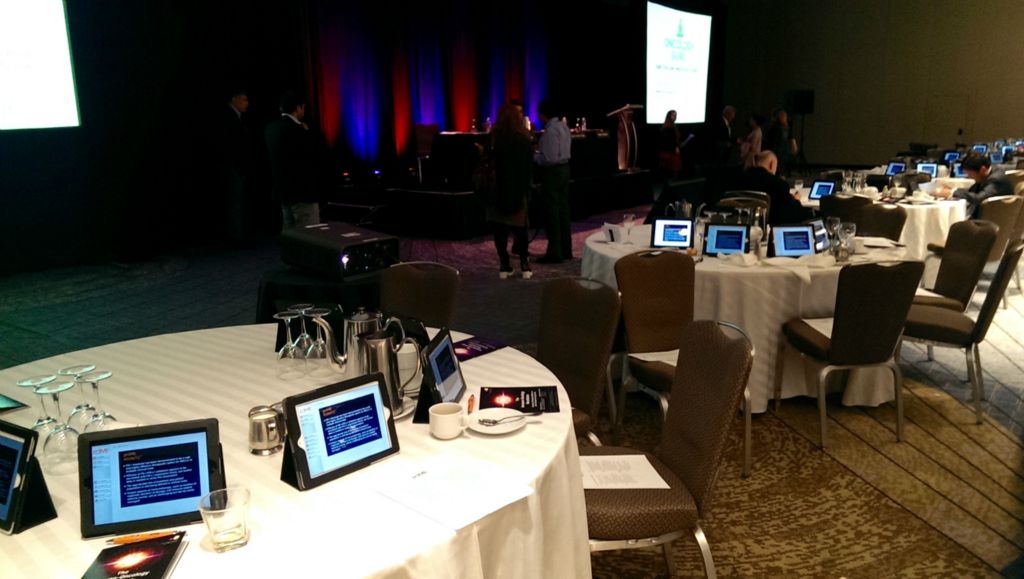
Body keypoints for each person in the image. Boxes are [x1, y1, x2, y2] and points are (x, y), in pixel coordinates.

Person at [486, 104, 534, 279]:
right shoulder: (524, 139)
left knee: (500, 231)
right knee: (521, 230)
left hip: (497, 191)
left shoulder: (494, 138)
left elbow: (487, 163)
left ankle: (504, 265)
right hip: (518, 190)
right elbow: (529, 168)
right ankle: (525, 264)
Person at [264, 91, 320, 228]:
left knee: (290, 234)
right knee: (309, 235)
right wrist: (307, 133)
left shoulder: (270, 128)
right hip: (302, 192)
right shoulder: (298, 130)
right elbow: (310, 157)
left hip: (283, 191)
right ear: (298, 108)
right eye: (303, 107)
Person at [534, 99, 572, 264]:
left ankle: (554, 252)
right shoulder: (563, 126)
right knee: (563, 210)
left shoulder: (550, 131)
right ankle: (566, 249)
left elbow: (548, 158)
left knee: (552, 212)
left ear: (543, 114)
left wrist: (533, 155)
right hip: (565, 170)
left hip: (553, 173)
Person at [732, 151, 813, 225]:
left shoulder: (737, 179)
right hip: (771, 224)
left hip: (740, 222)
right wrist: (796, 200)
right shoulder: (777, 183)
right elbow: (791, 210)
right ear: (771, 164)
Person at [933, 153, 1014, 218]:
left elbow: (978, 198)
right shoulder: (992, 172)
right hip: (993, 215)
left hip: (994, 219)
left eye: (970, 174)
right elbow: (973, 191)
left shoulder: (995, 179)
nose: (969, 177)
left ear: (982, 169)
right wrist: (953, 189)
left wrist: (952, 193)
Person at [218, 88, 252, 242]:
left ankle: (236, 234)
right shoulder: (228, 118)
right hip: (234, 168)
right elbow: (230, 145)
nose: (247, 103)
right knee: (234, 202)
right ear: (234, 99)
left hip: (236, 167)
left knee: (236, 202)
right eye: (244, 99)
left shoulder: (235, 117)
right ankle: (235, 236)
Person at [764, 108, 794, 177]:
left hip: (776, 151)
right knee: (782, 171)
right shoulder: (787, 128)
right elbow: (791, 139)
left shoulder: (775, 128)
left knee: (774, 171)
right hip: (785, 151)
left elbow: (770, 141)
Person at [658, 109, 682, 181]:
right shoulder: (667, 127)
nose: (675, 117)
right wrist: (675, 147)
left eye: (676, 115)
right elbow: (666, 141)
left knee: (674, 171)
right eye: (673, 115)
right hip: (669, 153)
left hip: (672, 152)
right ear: (669, 116)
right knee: (671, 171)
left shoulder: (673, 126)